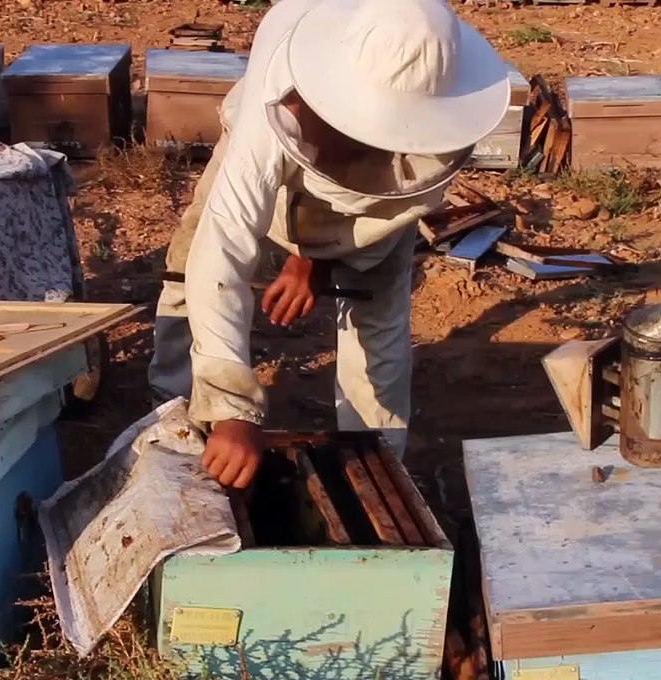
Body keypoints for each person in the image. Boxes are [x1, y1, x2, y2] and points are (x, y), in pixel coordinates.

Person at [147, 0, 511, 489]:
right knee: (190, 273)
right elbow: (226, 241)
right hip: (267, 172)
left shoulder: (440, 111)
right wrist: (231, 407)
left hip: (373, 225)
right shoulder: (277, 94)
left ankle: (378, 472)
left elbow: (388, 215)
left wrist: (311, 259)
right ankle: (178, 430)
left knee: (378, 330)